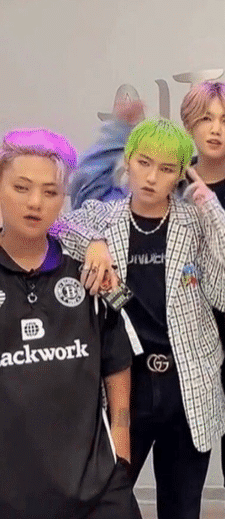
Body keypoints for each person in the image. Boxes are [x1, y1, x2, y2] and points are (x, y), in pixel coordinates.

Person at [72, 81, 225, 519]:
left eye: (164, 168)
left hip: (193, 378)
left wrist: (212, 215)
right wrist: (95, 243)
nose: (152, 177)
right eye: (143, 164)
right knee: (110, 498)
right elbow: (65, 225)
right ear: (129, 162)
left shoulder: (200, 218)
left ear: (179, 173)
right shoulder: (107, 215)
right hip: (126, 381)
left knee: (190, 502)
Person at [0, 128, 140, 519]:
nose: (35, 202)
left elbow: (117, 363)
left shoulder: (92, 273)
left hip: (95, 491)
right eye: (21, 187)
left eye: (50, 192)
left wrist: (121, 450)